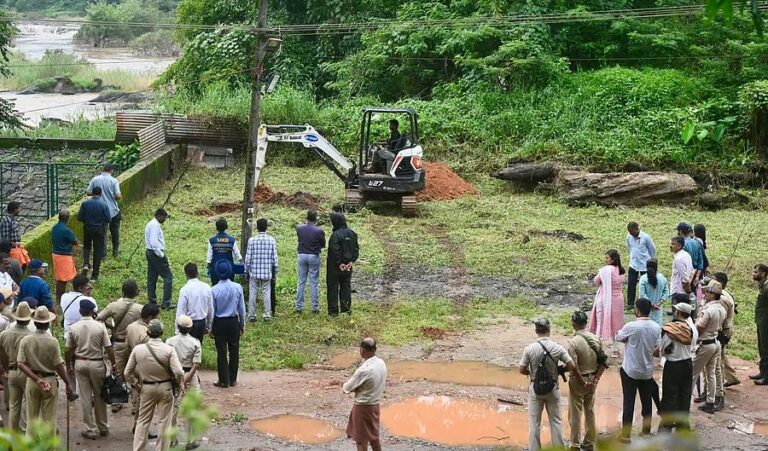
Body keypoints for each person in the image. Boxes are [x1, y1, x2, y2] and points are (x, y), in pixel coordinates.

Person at [519, 318, 580, 451]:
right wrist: (560, 370)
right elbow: (571, 365)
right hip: (553, 389)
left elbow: (521, 369)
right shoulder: (557, 347)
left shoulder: (529, 349)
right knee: (556, 422)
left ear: (536, 331)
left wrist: (531, 372)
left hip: (535, 389)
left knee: (534, 423)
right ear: (549, 330)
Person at [124, 319, 184, 451]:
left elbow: (127, 372)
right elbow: (179, 371)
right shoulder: (169, 350)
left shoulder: (138, 349)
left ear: (148, 332)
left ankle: (138, 448)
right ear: (162, 332)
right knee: (164, 422)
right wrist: (180, 383)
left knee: (143, 421)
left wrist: (136, 385)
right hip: (165, 388)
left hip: (146, 388)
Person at [17, 306, 76, 428]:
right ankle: (48, 446)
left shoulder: (26, 340)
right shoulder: (52, 341)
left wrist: (37, 379)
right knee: (49, 418)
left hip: (33, 381)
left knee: (32, 418)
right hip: (50, 380)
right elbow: (59, 365)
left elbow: (20, 364)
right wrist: (67, 383)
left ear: (35, 321)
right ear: (48, 322)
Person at [65, 299, 116, 439]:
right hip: (97, 363)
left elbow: (68, 349)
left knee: (85, 396)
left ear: (80, 311)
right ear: (92, 312)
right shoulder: (100, 327)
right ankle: (103, 426)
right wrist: (114, 364)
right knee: (100, 395)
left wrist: (68, 364)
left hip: (80, 363)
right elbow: (108, 348)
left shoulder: (74, 327)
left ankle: (90, 428)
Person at [615, 298, 661, 442]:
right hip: (646, 371)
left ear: (638, 310)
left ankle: (626, 435)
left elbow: (618, 336)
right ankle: (646, 432)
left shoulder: (631, 326)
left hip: (630, 370)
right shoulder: (656, 327)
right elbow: (657, 350)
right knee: (646, 402)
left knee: (629, 402)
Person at [97, 279, 143, 413]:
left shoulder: (113, 306)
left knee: (118, 372)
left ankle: (117, 402)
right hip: (134, 344)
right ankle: (136, 405)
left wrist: (111, 327)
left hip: (119, 343)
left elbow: (99, 319)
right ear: (136, 292)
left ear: (123, 291)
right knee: (135, 372)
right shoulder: (139, 308)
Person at [568, 311, 607, 451]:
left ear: (573, 324)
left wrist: (582, 381)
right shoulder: (596, 338)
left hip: (580, 380)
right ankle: (589, 441)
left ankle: (575, 444)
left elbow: (573, 366)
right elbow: (604, 361)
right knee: (589, 411)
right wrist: (596, 379)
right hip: (593, 378)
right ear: (586, 322)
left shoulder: (573, 343)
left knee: (575, 413)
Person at [343, 337, 387, 451]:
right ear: (375, 349)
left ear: (362, 351)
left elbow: (347, 388)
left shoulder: (364, 370)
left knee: (361, 441)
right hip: (375, 405)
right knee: (374, 437)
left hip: (362, 407)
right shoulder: (381, 363)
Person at [656, 302, 694, 431]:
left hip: (673, 365)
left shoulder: (670, 330)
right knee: (685, 393)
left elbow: (662, 349)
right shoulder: (691, 329)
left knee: (670, 394)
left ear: (678, 313)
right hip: (688, 364)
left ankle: (667, 422)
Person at [166, 315, 202, 450]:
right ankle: (190, 440)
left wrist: (178, 379)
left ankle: (172, 439)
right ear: (190, 328)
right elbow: (196, 364)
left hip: (174, 375)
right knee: (191, 408)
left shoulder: (170, 341)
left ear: (178, 326)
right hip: (190, 376)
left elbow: (166, 361)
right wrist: (186, 380)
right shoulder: (195, 342)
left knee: (173, 408)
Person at [692, 280, 726, 413]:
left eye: (706, 292)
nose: (704, 294)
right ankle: (710, 401)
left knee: (692, 373)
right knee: (711, 373)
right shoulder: (721, 308)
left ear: (712, 294)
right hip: (715, 342)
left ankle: (681, 402)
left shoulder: (709, 310)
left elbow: (699, 328)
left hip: (705, 344)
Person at [211, 260, 245, 388]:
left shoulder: (213, 290)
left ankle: (223, 380)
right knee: (234, 350)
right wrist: (242, 324)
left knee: (221, 351)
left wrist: (211, 326)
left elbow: (212, 310)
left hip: (220, 322)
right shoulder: (237, 287)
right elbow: (241, 309)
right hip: (233, 321)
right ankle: (233, 379)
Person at [0, 301, 32, 431]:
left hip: (12, 371)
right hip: (27, 372)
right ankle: (24, 430)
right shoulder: (30, 335)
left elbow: (2, 353)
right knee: (27, 402)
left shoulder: (4, 334)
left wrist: (5, 368)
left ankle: (13, 432)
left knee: (14, 405)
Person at [125, 303, 159, 422]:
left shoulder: (131, 326)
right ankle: (139, 423)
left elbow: (127, 346)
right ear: (150, 317)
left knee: (136, 389)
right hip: (145, 365)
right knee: (144, 398)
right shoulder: (147, 331)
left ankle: (135, 409)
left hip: (134, 361)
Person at [589, 249, 625, 356]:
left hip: (605, 299)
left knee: (601, 321)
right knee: (616, 324)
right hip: (618, 299)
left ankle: (598, 347)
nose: (605, 260)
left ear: (613, 259)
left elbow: (596, 281)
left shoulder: (606, 270)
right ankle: (616, 349)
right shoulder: (621, 271)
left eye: (607, 258)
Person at [244, 218, 278, 322]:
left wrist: (246, 271)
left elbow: (248, 258)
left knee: (253, 293)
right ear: (266, 227)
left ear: (257, 227)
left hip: (254, 272)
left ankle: (252, 315)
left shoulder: (252, 240)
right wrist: (275, 271)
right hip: (267, 272)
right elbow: (274, 258)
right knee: (266, 293)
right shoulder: (271, 240)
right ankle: (267, 315)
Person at [87, 163, 122, 257]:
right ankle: (115, 251)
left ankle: (103, 254)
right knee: (115, 231)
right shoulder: (114, 181)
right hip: (113, 210)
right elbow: (118, 196)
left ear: (102, 170)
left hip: (99, 211)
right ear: (111, 171)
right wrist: (113, 196)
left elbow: (88, 192)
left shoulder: (95, 179)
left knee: (102, 233)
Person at [327, 212, 359, 317]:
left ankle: (333, 312)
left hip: (334, 267)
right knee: (346, 287)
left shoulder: (335, 235)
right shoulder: (352, 234)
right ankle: (346, 309)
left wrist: (339, 263)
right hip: (348, 266)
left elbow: (333, 250)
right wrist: (351, 262)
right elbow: (355, 249)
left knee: (332, 287)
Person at [77, 186, 111, 282]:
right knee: (98, 250)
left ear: (92, 193)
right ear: (100, 194)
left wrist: (86, 221)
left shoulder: (85, 204)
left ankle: (86, 264)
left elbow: (79, 217)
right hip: (99, 229)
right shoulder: (103, 205)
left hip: (87, 228)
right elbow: (108, 219)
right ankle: (94, 275)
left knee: (87, 246)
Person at [295, 210, 325, 314]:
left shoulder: (299, 228)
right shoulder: (319, 231)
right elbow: (323, 244)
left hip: (302, 254)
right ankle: (315, 307)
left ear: (306, 217)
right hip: (313, 255)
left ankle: (299, 306)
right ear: (316, 218)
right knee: (314, 282)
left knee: (301, 281)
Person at [713, 272, 740, 388]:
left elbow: (721, 317)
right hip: (727, 328)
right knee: (721, 354)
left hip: (723, 330)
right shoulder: (727, 293)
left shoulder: (722, 298)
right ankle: (732, 377)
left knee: (718, 357)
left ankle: (718, 385)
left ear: (720, 283)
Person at [177, 263, 214, 345]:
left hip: (187, 323)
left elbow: (181, 311)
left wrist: (177, 330)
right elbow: (210, 308)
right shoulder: (206, 287)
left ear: (186, 274)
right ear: (197, 273)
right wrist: (209, 325)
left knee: (187, 347)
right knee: (198, 346)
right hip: (201, 322)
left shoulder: (185, 289)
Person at [145, 208, 174, 309]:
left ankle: (152, 301)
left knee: (152, 277)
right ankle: (166, 303)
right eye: (164, 217)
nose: (164, 220)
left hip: (150, 252)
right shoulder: (154, 225)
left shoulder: (152, 224)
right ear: (159, 216)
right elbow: (154, 242)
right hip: (155, 253)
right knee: (168, 277)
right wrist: (161, 254)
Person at [626, 222, 656, 309]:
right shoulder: (629, 237)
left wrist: (648, 259)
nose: (631, 234)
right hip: (633, 264)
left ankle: (647, 303)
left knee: (646, 284)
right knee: (631, 284)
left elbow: (652, 249)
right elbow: (629, 247)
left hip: (644, 265)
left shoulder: (646, 237)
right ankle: (630, 304)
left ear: (637, 229)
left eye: (632, 232)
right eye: (630, 232)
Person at [51, 209, 79, 302]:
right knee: (63, 280)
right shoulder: (66, 230)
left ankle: (59, 298)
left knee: (60, 278)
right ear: (67, 218)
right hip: (64, 256)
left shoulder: (55, 227)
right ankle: (60, 299)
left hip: (55, 254)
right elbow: (74, 242)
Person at [60, 275, 98, 341]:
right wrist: (88, 295)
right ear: (80, 288)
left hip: (68, 333)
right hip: (83, 335)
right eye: (86, 285)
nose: (89, 287)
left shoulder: (64, 296)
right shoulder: (89, 300)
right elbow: (95, 311)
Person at [206, 218, 242, 285]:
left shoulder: (211, 240)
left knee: (215, 289)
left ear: (216, 228)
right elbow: (238, 256)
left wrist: (208, 268)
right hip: (229, 269)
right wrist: (242, 265)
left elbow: (209, 258)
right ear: (226, 227)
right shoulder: (232, 240)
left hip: (215, 269)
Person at [639, 258, 669, 326]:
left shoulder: (643, 279)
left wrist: (651, 305)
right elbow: (666, 293)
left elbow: (642, 295)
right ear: (656, 267)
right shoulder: (662, 278)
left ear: (646, 266)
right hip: (658, 310)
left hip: (645, 311)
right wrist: (659, 303)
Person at [752, 264, 768, 384]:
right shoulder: (763, 285)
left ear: (762, 274)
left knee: (766, 348)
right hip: (761, 320)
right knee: (761, 347)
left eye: (755, 272)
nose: (753, 273)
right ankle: (762, 372)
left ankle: (766, 376)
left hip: (765, 322)